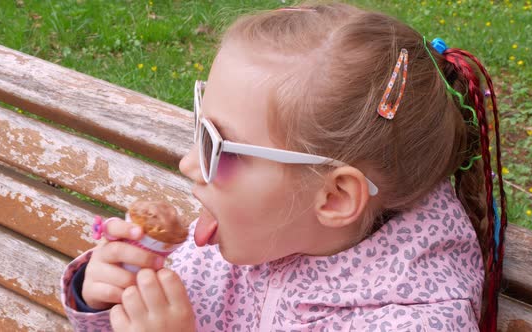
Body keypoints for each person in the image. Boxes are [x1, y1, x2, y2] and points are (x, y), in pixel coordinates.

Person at [61, 2, 507, 331]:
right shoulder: (244, 236)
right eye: (200, 128)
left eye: (219, 147)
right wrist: (103, 296)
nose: (188, 164)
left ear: (334, 197)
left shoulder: (415, 321)